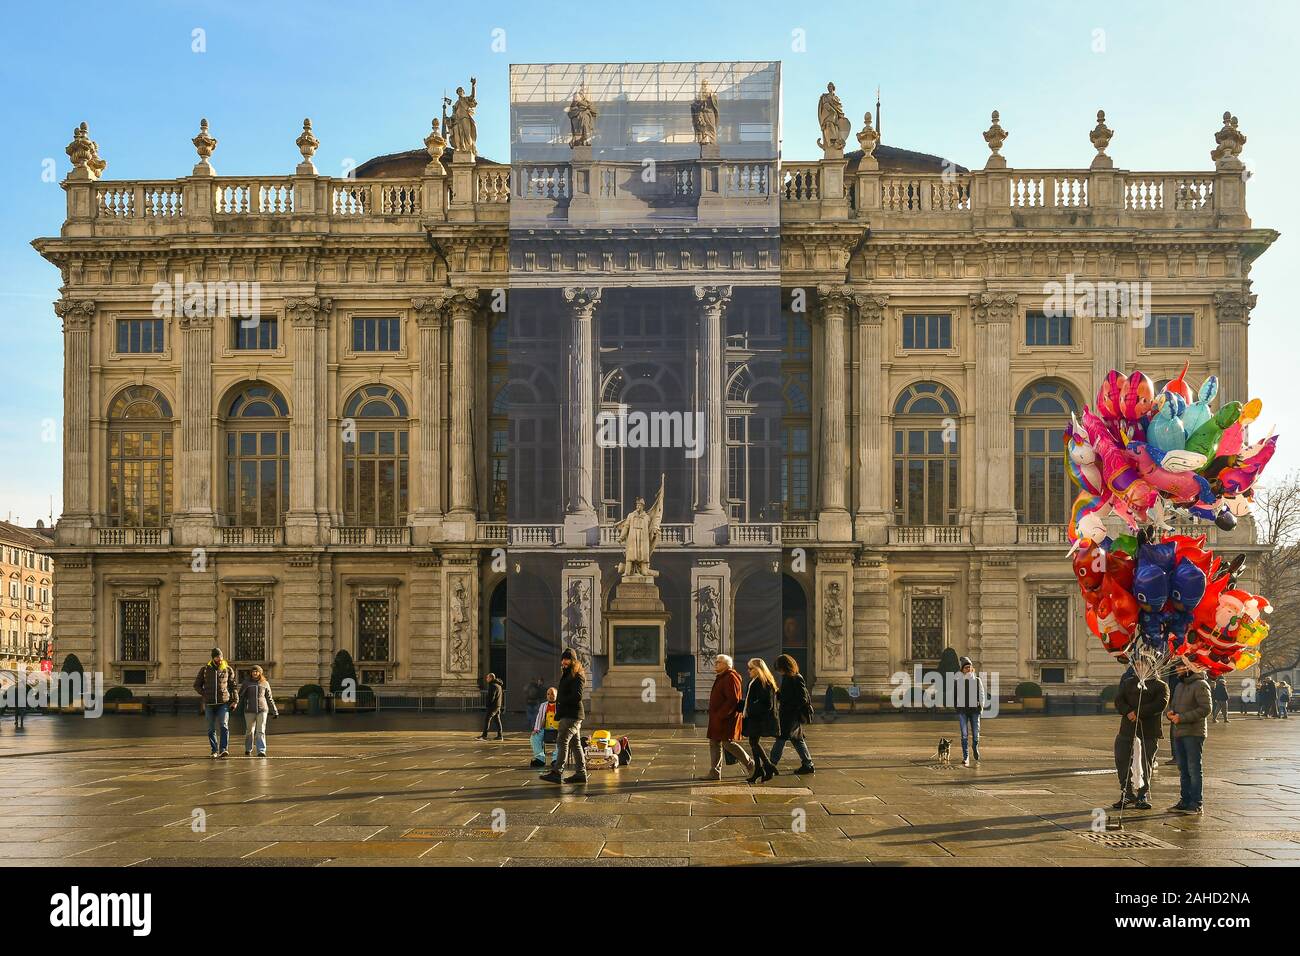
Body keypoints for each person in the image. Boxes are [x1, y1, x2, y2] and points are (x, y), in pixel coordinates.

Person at [1112, 662, 1169, 811]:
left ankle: (1142, 794)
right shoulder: (1128, 683)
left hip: (1148, 730)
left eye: (1142, 665)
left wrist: (1138, 712)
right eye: (1136, 665)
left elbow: (1160, 704)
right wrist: (1128, 711)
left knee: (1145, 762)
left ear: (1150, 667)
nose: (1138, 668)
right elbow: (1119, 700)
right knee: (1122, 759)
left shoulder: (1160, 685)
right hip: (1127, 729)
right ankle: (1127, 793)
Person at [1167, 658, 1212, 815]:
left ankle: (1196, 803)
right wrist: (1171, 713)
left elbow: (1205, 709)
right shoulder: (1180, 685)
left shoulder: (1200, 684)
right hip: (1179, 731)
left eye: (1179, 667)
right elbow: (1173, 705)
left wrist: (1182, 718)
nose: (1177, 670)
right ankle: (1184, 800)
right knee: (1183, 768)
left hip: (1193, 732)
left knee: (1194, 768)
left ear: (1189, 668)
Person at [539, 648, 586, 784]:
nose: (564, 661)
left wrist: (561, 700)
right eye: (563, 659)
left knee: (562, 741)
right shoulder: (567, 674)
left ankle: (557, 772)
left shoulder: (578, 675)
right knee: (575, 744)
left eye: (567, 659)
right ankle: (581, 773)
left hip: (572, 715)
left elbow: (577, 696)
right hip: (568, 714)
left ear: (573, 661)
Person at [702, 654, 752, 781]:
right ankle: (714, 772)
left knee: (728, 743)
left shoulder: (730, 677)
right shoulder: (722, 677)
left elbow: (733, 700)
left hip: (725, 719)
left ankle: (751, 764)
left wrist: (721, 715)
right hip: (718, 718)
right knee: (714, 742)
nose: (716, 664)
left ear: (726, 665)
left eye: (718, 662)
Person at [771, 654, 814, 775]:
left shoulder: (796, 678)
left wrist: (789, 706)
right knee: (797, 740)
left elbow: (802, 699)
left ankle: (771, 764)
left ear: (784, 666)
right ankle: (808, 764)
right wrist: (776, 692)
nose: (778, 671)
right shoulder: (787, 677)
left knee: (781, 739)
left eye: (779, 668)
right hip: (789, 715)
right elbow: (786, 695)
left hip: (791, 716)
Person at [193, 647, 239, 758]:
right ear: (213, 658)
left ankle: (223, 749)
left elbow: (233, 686)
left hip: (223, 703)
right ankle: (214, 750)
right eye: (217, 656)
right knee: (211, 728)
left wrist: (235, 701)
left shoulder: (227, 669)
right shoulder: (205, 669)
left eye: (221, 656)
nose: (219, 658)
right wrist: (205, 693)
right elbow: (196, 685)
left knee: (224, 725)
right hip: (209, 704)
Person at [742, 659, 781, 784]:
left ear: (758, 669)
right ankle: (761, 769)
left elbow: (767, 704)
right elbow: (749, 700)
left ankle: (767, 766)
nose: (748, 671)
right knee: (753, 742)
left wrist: (751, 708)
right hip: (754, 717)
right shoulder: (753, 681)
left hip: (760, 719)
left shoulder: (764, 682)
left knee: (754, 742)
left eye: (751, 668)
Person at [238, 665, 279, 757]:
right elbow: (240, 696)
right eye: (253, 671)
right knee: (249, 731)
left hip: (262, 710)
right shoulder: (246, 683)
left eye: (256, 671)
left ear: (260, 673)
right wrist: (235, 705)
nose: (255, 673)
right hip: (249, 710)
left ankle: (261, 750)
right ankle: (248, 748)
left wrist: (274, 710)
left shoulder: (265, 683)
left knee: (261, 730)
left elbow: (269, 698)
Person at [955, 657, 985, 767]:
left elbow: (982, 694)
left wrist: (981, 707)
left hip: (975, 711)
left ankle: (975, 746)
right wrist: (957, 708)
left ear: (972, 669)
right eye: (966, 667)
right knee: (964, 734)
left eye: (969, 667)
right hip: (962, 710)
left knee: (976, 734)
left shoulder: (977, 680)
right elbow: (955, 696)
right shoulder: (958, 682)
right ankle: (966, 756)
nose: (968, 669)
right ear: (962, 670)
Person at [529, 686, 560, 769]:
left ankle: (556, 760)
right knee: (534, 737)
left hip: (558, 730)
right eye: (548, 694)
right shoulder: (543, 705)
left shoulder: (560, 705)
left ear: (557, 695)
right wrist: (536, 729)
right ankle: (540, 759)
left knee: (562, 740)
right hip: (546, 729)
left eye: (552, 694)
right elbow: (539, 717)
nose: (550, 696)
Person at [478, 673, 503, 740]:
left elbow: (491, 697)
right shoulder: (498, 685)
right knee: (497, 720)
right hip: (498, 705)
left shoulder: (493, 686)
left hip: (493, 706)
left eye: (487, 678)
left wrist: (488, 704)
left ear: (491, 678)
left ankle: (484, 735)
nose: (486, 679)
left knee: (487, 719)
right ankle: (500, 735)